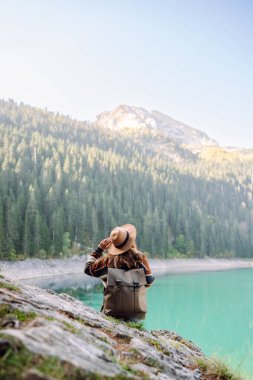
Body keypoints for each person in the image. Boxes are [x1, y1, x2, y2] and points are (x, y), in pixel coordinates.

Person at [84, 224, 155, 320]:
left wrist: (99, 250)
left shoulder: (108, 261)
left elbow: (88, 269)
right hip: (134, 314)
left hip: (112, 312)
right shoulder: (140, 258)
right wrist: (133, 282)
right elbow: (149, 281)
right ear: (130, 241)